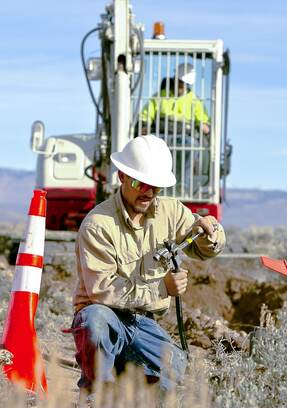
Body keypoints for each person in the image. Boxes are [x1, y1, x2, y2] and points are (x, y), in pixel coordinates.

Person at [70, 134, 226, 392]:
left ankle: (126, 380)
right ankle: (95, 394)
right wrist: (162, 288)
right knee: (95, 322)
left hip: (142, 322)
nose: (148, 192)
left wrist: (209, 231)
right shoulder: (98, 224)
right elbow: (103, 291)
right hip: (106, 315)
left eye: (155, 186)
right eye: (139, 183)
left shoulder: (171, 212)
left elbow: (206, 250)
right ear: (121, 177)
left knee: (177, 371)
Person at [139, 63, 210, 137]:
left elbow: (202, 118)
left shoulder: (195, 100)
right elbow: (146, 114)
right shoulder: (160, 96)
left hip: (186, 140)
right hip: (161, 135)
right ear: (174, 79)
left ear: (188, 84)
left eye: (184, 84)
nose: (181, 86)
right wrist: (144, 124)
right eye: (179, 82)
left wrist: (203, 125)